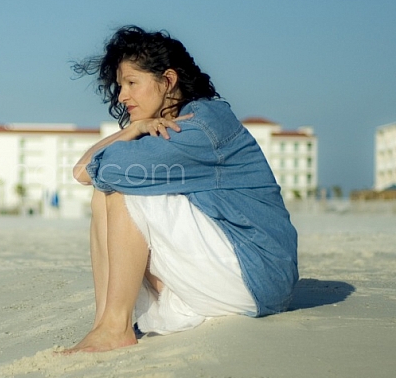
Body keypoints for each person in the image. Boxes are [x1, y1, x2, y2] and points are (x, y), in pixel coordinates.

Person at [66, 25, 298, 353]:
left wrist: (132, 132)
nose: (122, 96)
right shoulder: (177, 124)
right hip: (242, 274)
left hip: (258, 276)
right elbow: (83, 172)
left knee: (119, 189)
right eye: (120, 86)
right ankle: (104, 324)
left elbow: (99, 170)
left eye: (131, 83)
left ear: (168, 80)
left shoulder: (200, 126)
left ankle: (114, 328)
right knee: (105, 192)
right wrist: (134, 129)